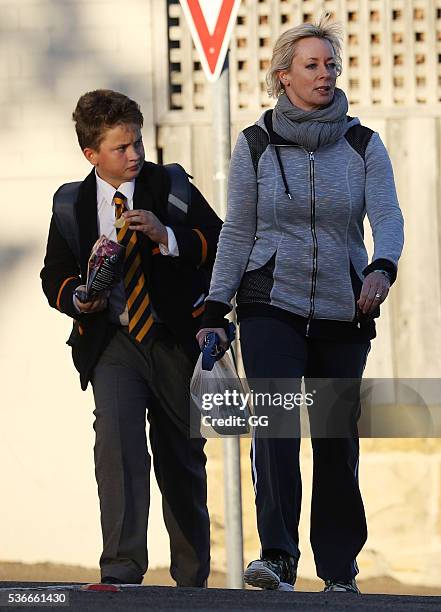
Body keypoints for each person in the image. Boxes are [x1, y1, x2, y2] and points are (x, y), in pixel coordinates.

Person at [197, 16, 404, 594]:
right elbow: (238, 231)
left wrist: (382, 268)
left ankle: (339, 571)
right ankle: (278, 558)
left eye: (330, 64)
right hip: (270, 305)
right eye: (311, 65)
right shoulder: (256, 143)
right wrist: (216, 305)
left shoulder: (363, 143)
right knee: (277, 430)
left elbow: (387, 217)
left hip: (345, 310)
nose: (324, 73)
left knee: (336, 441)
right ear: (283, 76)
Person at [41, 89, 222, 586]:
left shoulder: (172, 184)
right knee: (117, 447)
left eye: (138, 142)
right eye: (121, 148)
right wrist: (78, 298)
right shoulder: (71, 203)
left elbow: (219, 240)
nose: (136, 155)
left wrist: (167, 236)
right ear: (91, 154)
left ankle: (191, 580)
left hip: (171, 340)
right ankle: (121, 570)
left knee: (180, 459)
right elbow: (53, 274)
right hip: (113, 342)